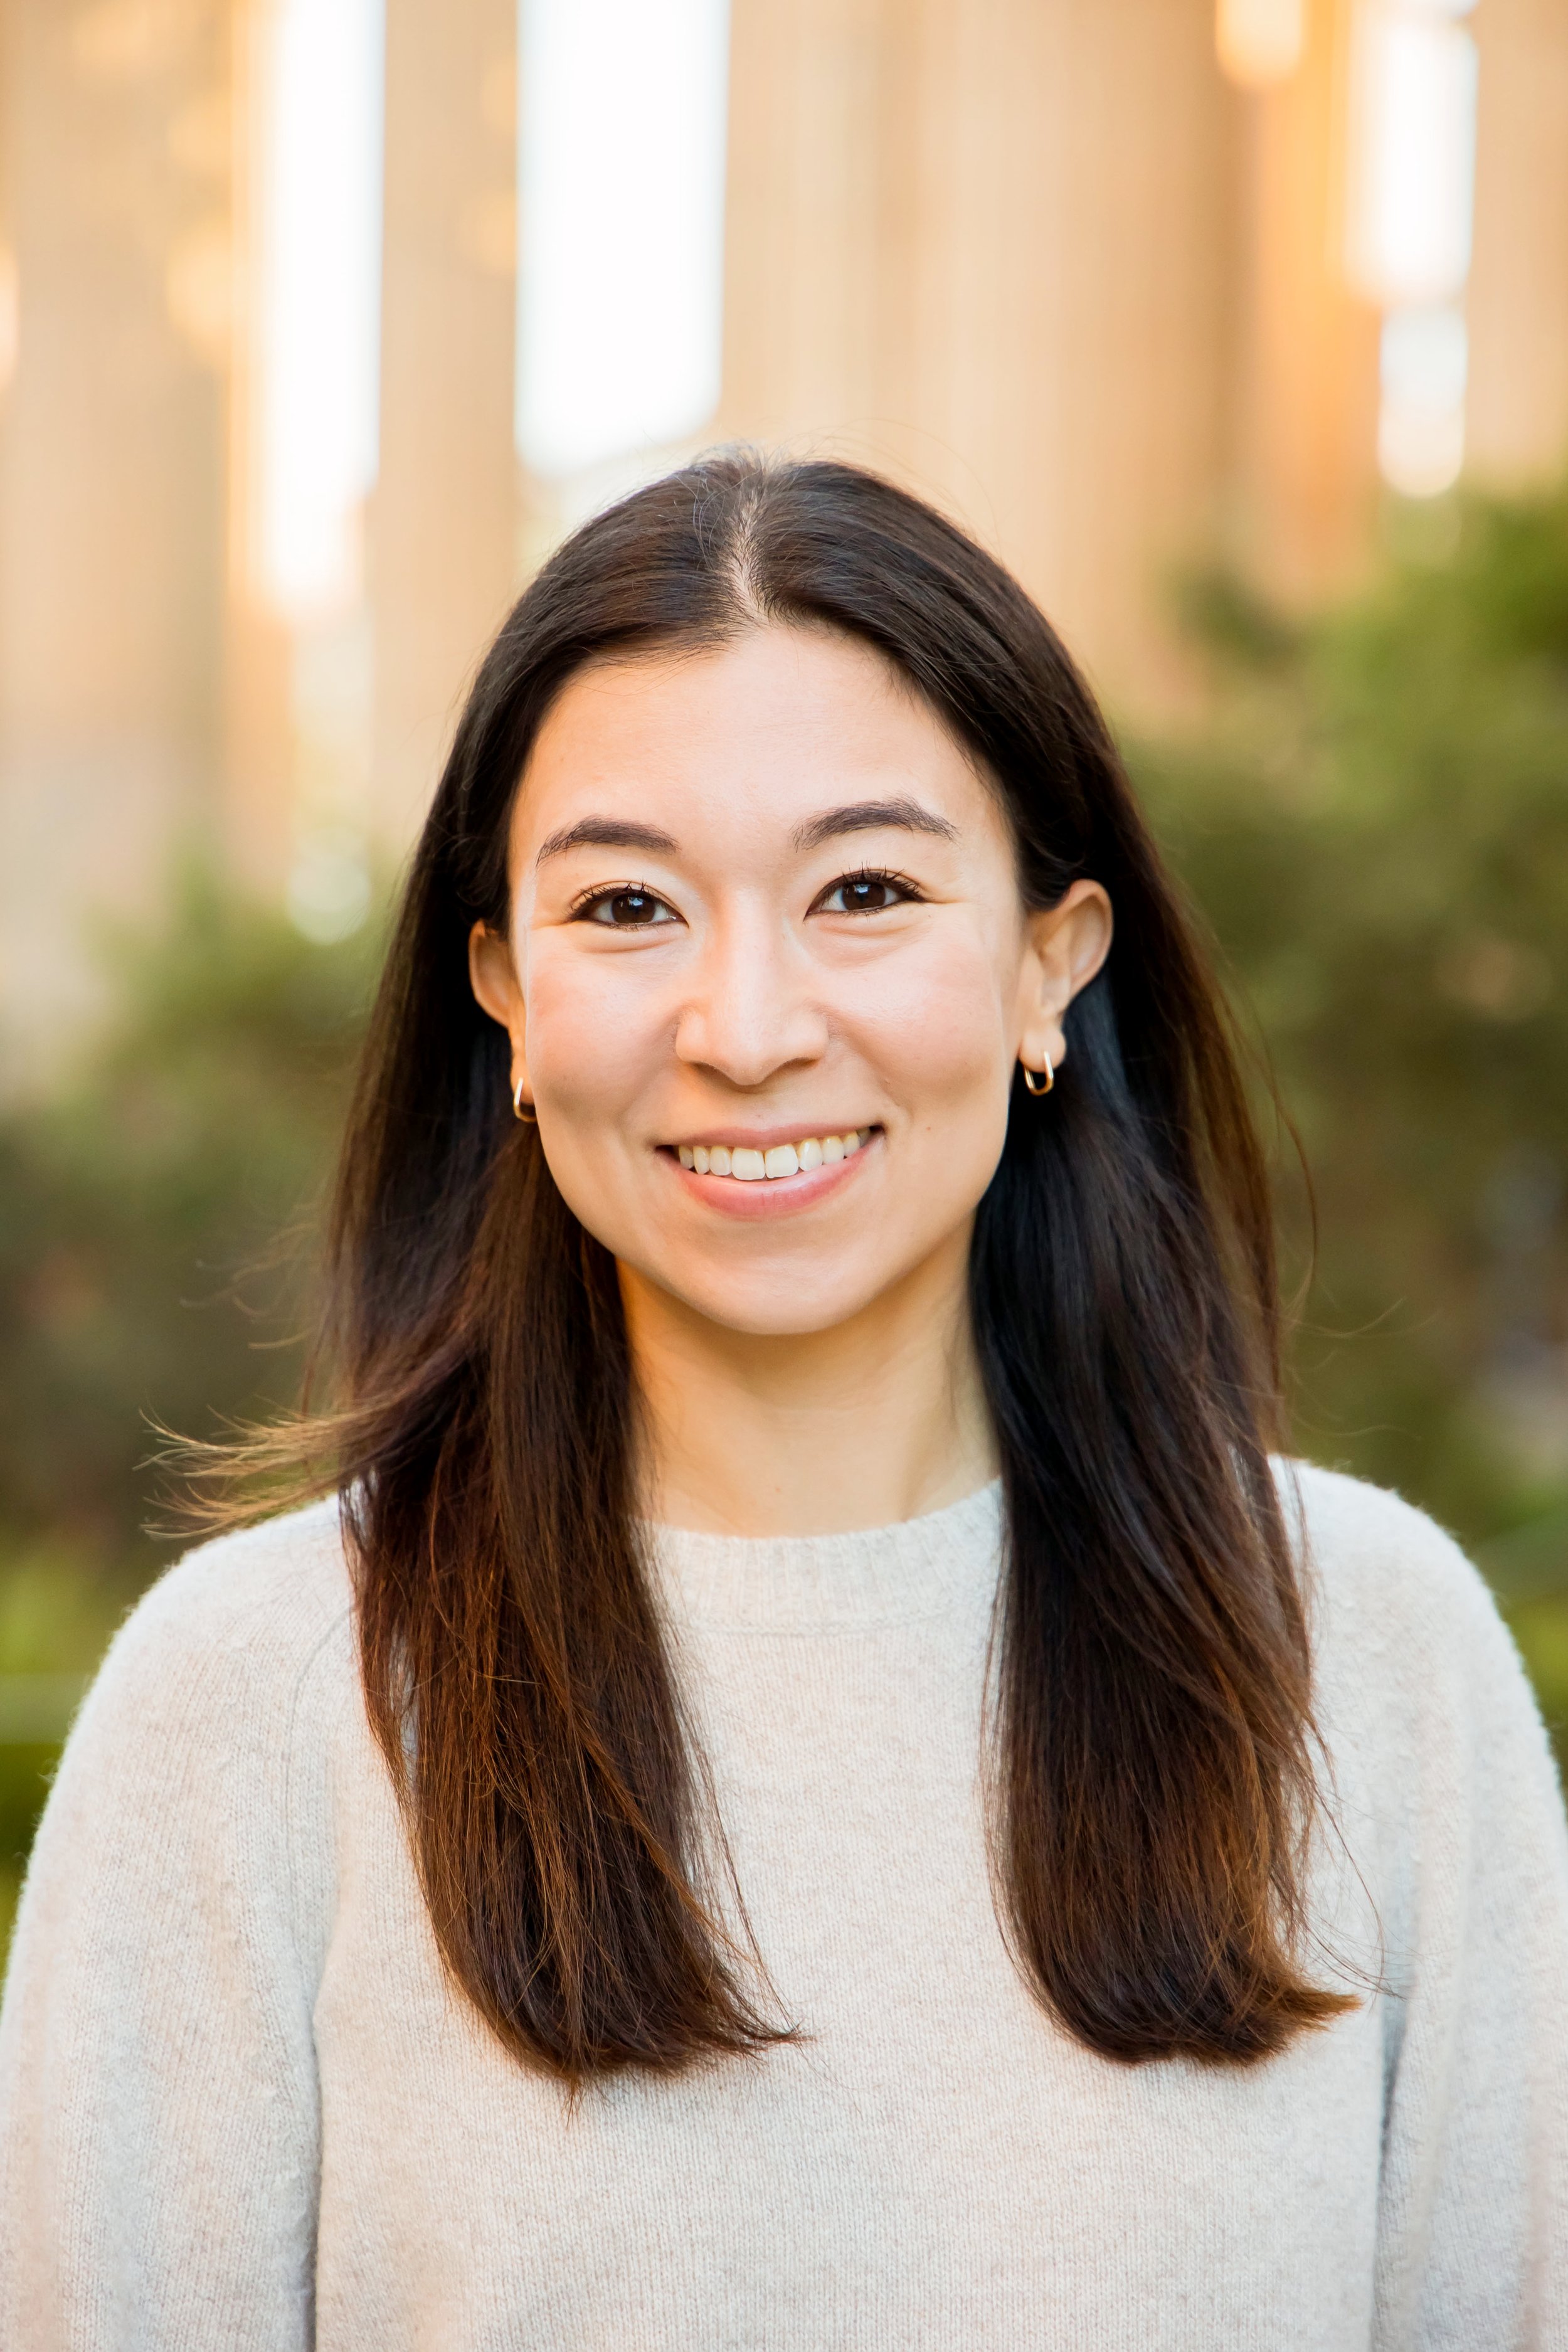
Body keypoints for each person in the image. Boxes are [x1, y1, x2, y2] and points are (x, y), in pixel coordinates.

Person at [1, 453, 1564, 2348]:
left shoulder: (1365, 1658)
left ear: (1047, 966)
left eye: (868, 890)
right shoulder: (257, 1702)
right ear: (501, 994)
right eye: (627, 908)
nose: (744, 1030)